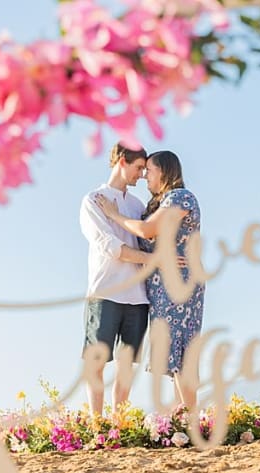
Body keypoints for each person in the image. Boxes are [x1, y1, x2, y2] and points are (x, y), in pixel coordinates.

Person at [95, 150, 205, 410]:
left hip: (179, 282)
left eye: (150, 171)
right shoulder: (158, 203)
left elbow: (147, 231)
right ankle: (182, 416)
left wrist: (113, 214)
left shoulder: (181, 198)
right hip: (161, 287)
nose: (145, 177)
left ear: (164, 172)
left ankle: (190, 418)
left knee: (179, 346)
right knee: (170, 349)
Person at [79, 142, 156, 416]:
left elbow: (148, 238)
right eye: (139, 168)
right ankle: (97, 424)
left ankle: (118, 425)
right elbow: (111, 248)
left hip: (138, 297)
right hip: (105, 292)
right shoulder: (93, 201)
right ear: (122, 161)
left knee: (127, 369)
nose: (142, 175)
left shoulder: (138, 206)